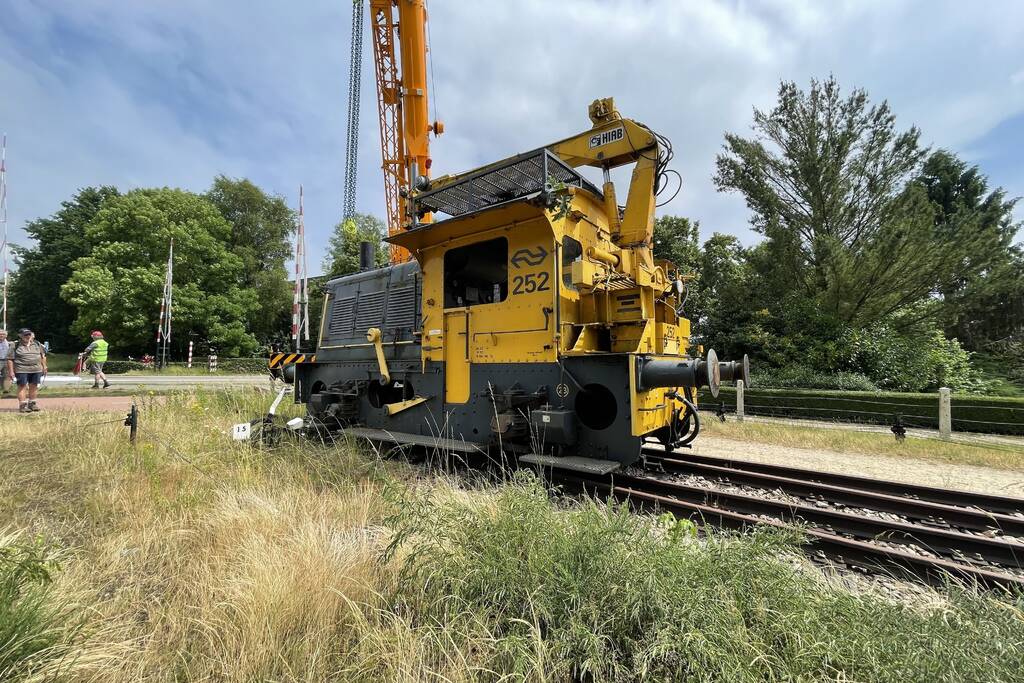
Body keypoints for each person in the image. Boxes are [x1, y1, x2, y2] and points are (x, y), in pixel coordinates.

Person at [7, 328, 47, 413]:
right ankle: (22, 405)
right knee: (22, 386)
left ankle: (32, 403)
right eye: (25, 335)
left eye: (29, 334)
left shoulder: (37, 344)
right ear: (20, 336)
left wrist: (44, 366)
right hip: (21, 369)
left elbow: (42, 356)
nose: (27, 336)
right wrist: (11, 371)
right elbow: (10, 359)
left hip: (36, 369)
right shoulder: (15, 345)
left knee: (34, 386)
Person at [0, 330, 10, 394]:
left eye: (3, 334)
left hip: (7, 361)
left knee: (6, 375)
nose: (1, 335)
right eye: (0, 334)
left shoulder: (10, 343)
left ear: (6, 335)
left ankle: (6, 390)